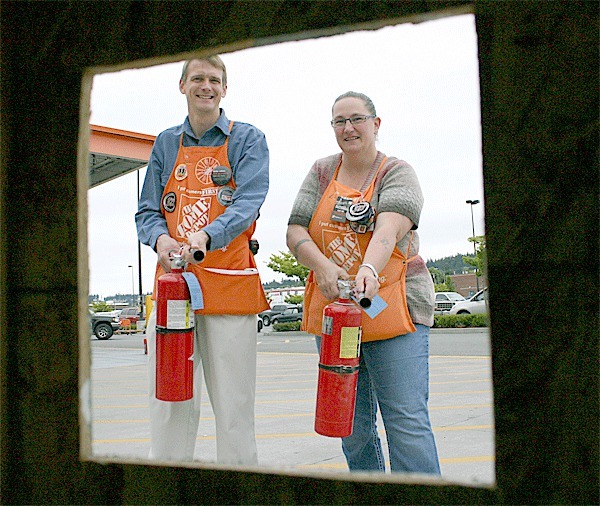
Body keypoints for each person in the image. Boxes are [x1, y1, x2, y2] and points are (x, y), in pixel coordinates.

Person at [286, 91, 440, 474]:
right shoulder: (322, 171)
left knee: (406, 424)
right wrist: (321, 266)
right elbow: (295, 230)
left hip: (393, 306)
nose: (348, 128)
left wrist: (367, 271)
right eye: (339, 121)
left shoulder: (397, 172)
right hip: (337, 316)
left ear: (376, 123)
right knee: (351, 428)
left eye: (356, 119)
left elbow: (388, 231)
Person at [136, 56, 270, 465]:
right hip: (172, 288)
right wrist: (160, 241)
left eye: (215, 79)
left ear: (225, 89)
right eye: (198, 78)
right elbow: (147, 211)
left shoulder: (247, 139)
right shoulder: (165, 143)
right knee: (170, 400)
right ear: (183, 86)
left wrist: (206, 236)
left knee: (233, 407)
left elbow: (247, 203)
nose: (206, 86)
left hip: (228, 284)